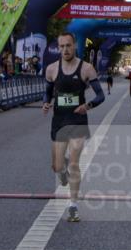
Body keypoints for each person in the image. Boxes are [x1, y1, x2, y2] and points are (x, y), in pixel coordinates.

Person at [43, 32, 105, 223]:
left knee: (74, 163)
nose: (65, 50)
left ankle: (73, 206)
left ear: (75, 46)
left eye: (68, 46)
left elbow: (100, 96)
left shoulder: (86, 68)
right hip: (59, 121)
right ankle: (62, 172)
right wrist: (46, 103)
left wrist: (87, 106)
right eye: (61, 46)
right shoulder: (52, 69)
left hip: (78, 121)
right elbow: (48, 93)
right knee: (57, 166)